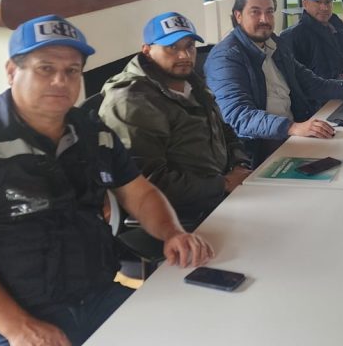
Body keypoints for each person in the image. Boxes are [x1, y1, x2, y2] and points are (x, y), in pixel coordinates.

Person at [0, 15, 213, 346]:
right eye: (45, 69)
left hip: (94, 299)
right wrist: (19, 327)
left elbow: (140, 194)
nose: (60, 80)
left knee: (195, 328)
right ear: (12, 72)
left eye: (72, 71)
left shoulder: (93, 133)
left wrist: (172, 232)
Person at [205, 0, 343, 167]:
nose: (264, 19)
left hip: (292, 133)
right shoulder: (226, 58)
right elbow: (239, 116)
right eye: (255, 12)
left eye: (269, 12)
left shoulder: (275, 45)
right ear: (238, 15)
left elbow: (313, 84)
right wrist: (292, 127)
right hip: (259, 147)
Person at [99, 11, 251, 224]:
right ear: (147, 51)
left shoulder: (191, 83)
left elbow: (224, 131)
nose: (184, 55)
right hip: (182, 215)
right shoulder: (131, 101)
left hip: (222, 195)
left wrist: (240, 165)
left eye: (190, 46)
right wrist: (223, 184)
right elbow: (146, 182)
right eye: (172, 47)